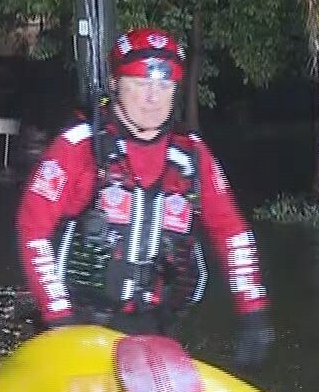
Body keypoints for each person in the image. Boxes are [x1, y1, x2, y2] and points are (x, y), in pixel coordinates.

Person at [15, 26, 272, 365]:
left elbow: (232, 233)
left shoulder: (192, 156)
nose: (154, 97)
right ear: (115, 85)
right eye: (140, 83)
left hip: (156, 329)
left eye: (164, 85)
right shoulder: (79, 146)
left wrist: (252, 312)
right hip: (77, 325)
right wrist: (58, 317)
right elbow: (33, 227)